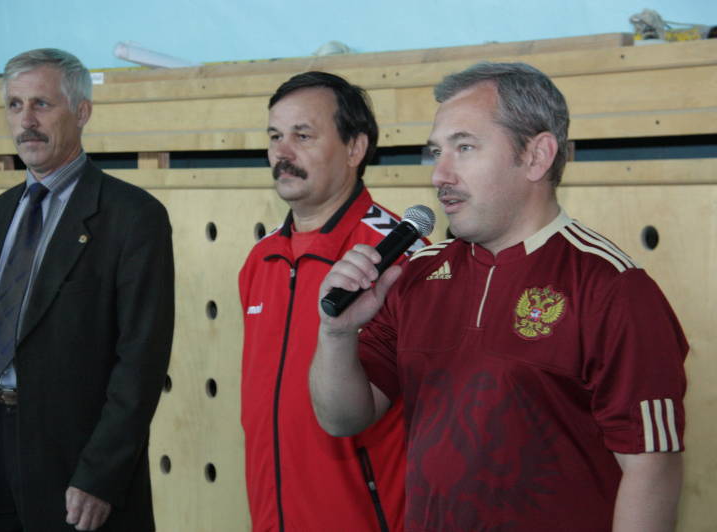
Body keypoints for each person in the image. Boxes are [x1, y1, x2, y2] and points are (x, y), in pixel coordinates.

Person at [309, 62, 688, 531]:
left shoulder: (612, 287)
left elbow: (652, 468)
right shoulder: (415, 275)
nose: (439, 174)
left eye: (464, 147)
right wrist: (336, 334)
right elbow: (343, 418)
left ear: (536, 156)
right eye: (436, 152)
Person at [0, 48, 174, 532]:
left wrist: (101, 475)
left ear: (82, 112)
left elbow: (141, 365)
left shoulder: (133, 217)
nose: (26, 121)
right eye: (15, 105)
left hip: (74, 468)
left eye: (42, 104)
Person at [239, 71, 427, 531]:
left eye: (302, 136)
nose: (283, 153)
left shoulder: (400, 256)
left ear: (355, 148)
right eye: (275, 136)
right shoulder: (260, 260)